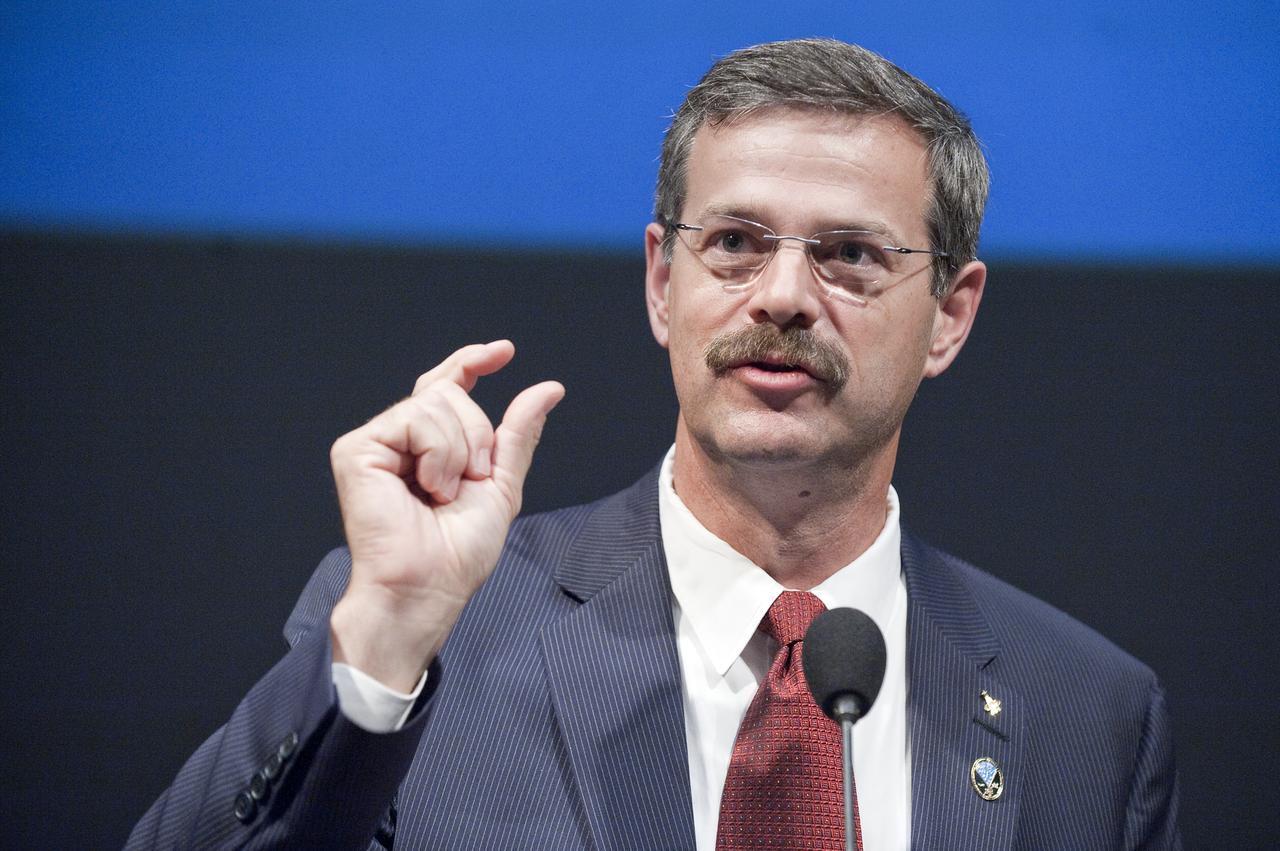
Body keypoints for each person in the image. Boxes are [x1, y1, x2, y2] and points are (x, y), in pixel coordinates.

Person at [127, 39, 1180, 849]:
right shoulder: (440, 638)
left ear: (948, 314)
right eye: (733, 242)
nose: (780, 295)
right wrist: (379, 649)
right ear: (659, 282)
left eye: (848, 254)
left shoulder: (1088, 714)